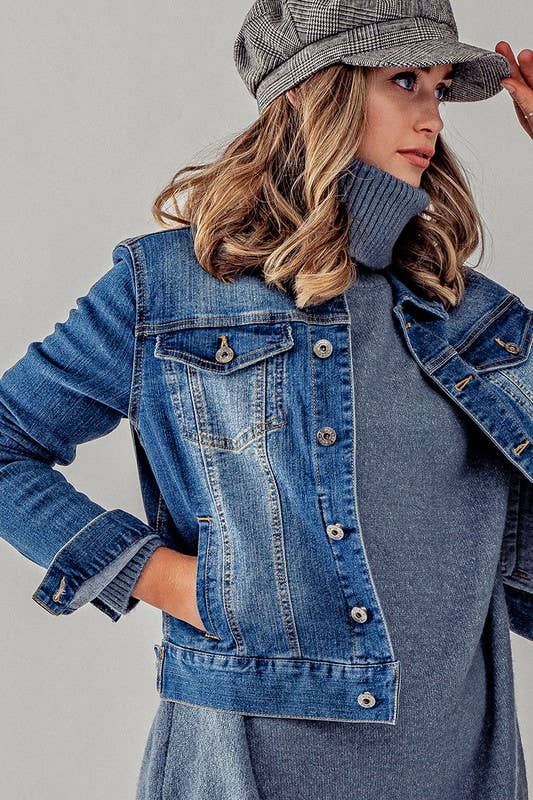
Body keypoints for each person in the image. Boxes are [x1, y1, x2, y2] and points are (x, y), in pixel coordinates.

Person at [1, 1, 532, 798]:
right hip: (249, 767)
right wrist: (163, 579)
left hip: (462, 767)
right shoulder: (171, 289)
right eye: (402, 80)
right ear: (314, 92)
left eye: (438, 86)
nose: (430, 116)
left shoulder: (475, 319)